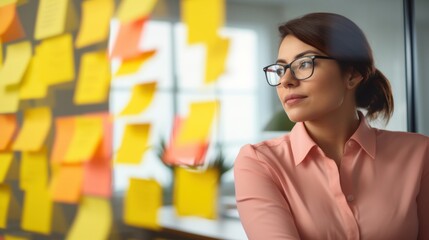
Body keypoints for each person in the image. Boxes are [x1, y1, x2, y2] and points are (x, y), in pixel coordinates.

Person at [234, 12, 428, 240]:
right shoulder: (259, 163)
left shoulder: (418, 154)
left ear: (352, 75)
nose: (286, 80)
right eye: (280, 69)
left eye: (304, 63)